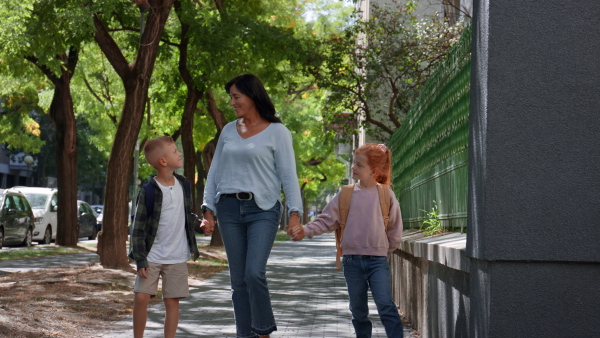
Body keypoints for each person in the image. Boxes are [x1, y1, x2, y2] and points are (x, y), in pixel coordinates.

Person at [201, 73, 303, 338]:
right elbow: (214, 173)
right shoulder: (227, 131)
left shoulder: (278, 132)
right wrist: (207, 208)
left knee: (254, 273)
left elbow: (288, 175)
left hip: (264, 209)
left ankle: (263, 330)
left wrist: (294, 213)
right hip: (228, 209)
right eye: (230, 98)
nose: (232, 103)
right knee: (238, 281)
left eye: (236, 97)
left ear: (252, 96)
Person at [289, 143, 404, 338]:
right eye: (354, 163)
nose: (353, 167)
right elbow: (327, 220)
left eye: (359, 165)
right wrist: (306, 230)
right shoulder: (346, 194)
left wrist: (385, 249)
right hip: (352, 262)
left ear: (373, 171)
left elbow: (395, 228)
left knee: (385, 305)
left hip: (377, 261)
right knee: (358, 311)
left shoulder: (386, 194)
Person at [129, 136, 209, 338]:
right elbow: (137, 227)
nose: (179, 153)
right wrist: (140, 258)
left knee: (172, 302)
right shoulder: (147, 191)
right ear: (163, 161)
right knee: (141, 297)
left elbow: (185, 214)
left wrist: (199, 224)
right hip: (152, 255)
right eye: (174, 151)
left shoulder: (184, 185)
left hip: (177, 255)